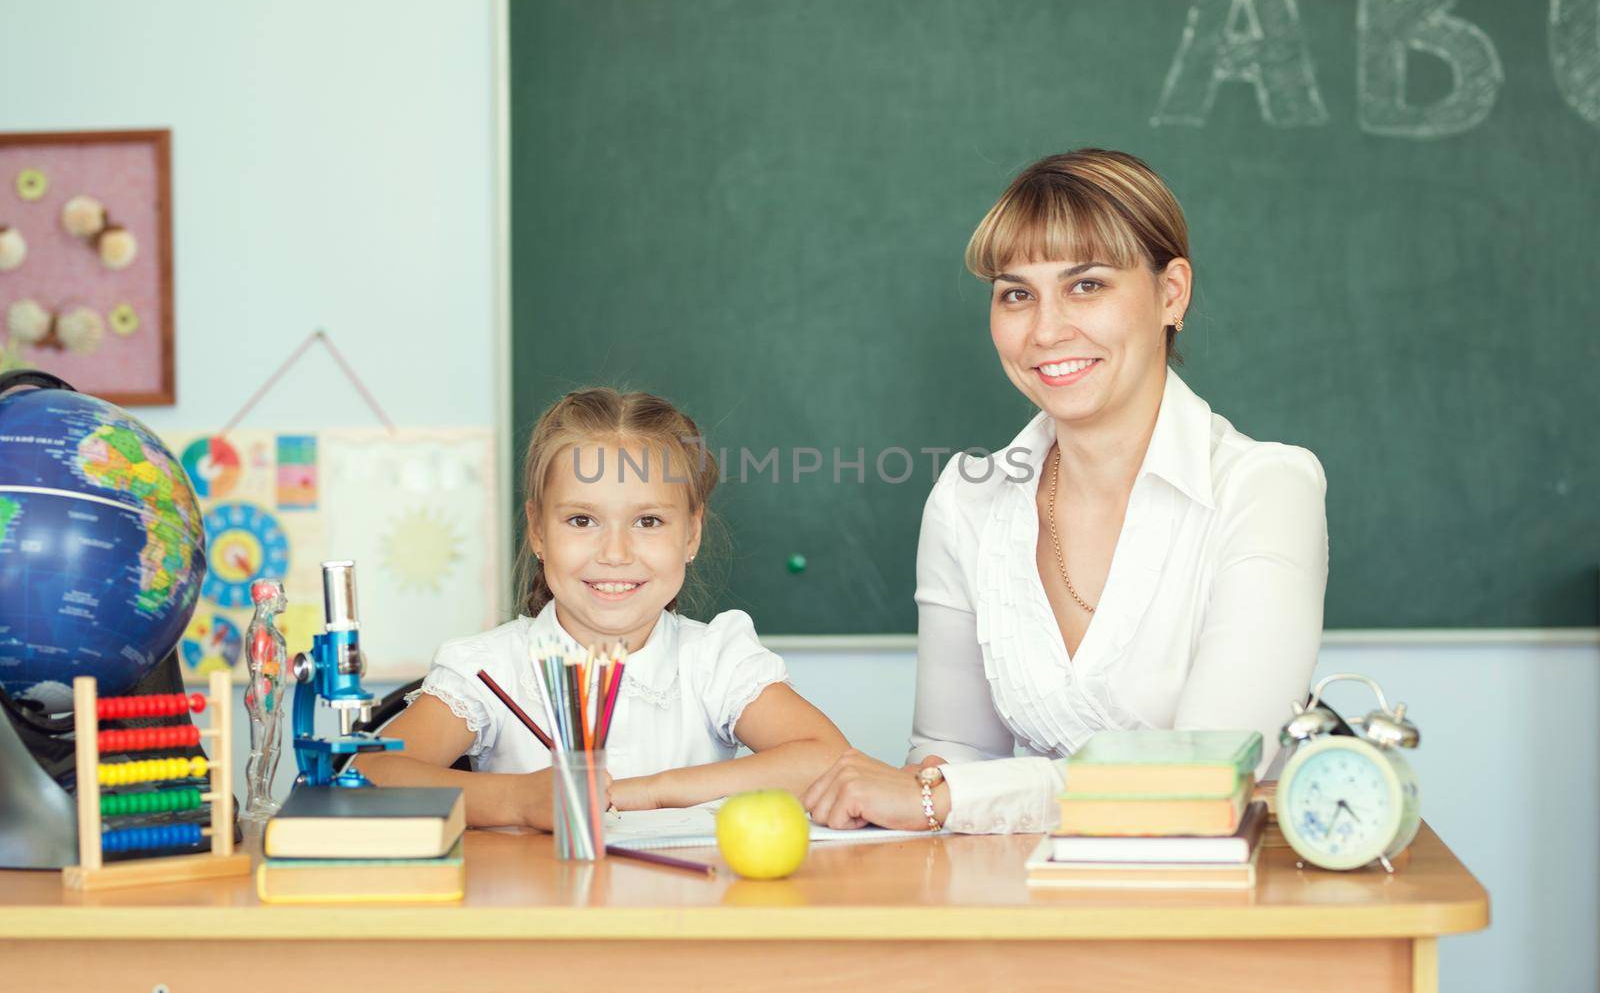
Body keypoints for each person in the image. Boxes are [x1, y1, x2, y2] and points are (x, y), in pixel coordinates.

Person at [805, 149, 1327, 833]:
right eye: (1017, 293)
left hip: (1222, 911)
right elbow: (950, 757)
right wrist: (922, 792)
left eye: (1087, 286)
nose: (1046, 330)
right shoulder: (968, 501)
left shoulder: (1266, 488)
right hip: (1035, 903)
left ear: (1171, 293)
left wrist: (953, 795)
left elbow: (1204, 782)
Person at [360, 387, 849, 829]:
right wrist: (517, 800)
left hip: (686, 918)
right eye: (581, 519)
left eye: (649, 521)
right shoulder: (491, 668)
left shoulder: (714, 660)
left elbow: (828, 758)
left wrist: (651, 793)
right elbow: (371, 775)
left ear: (691, 535)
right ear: (537, 531)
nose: (615, 553)